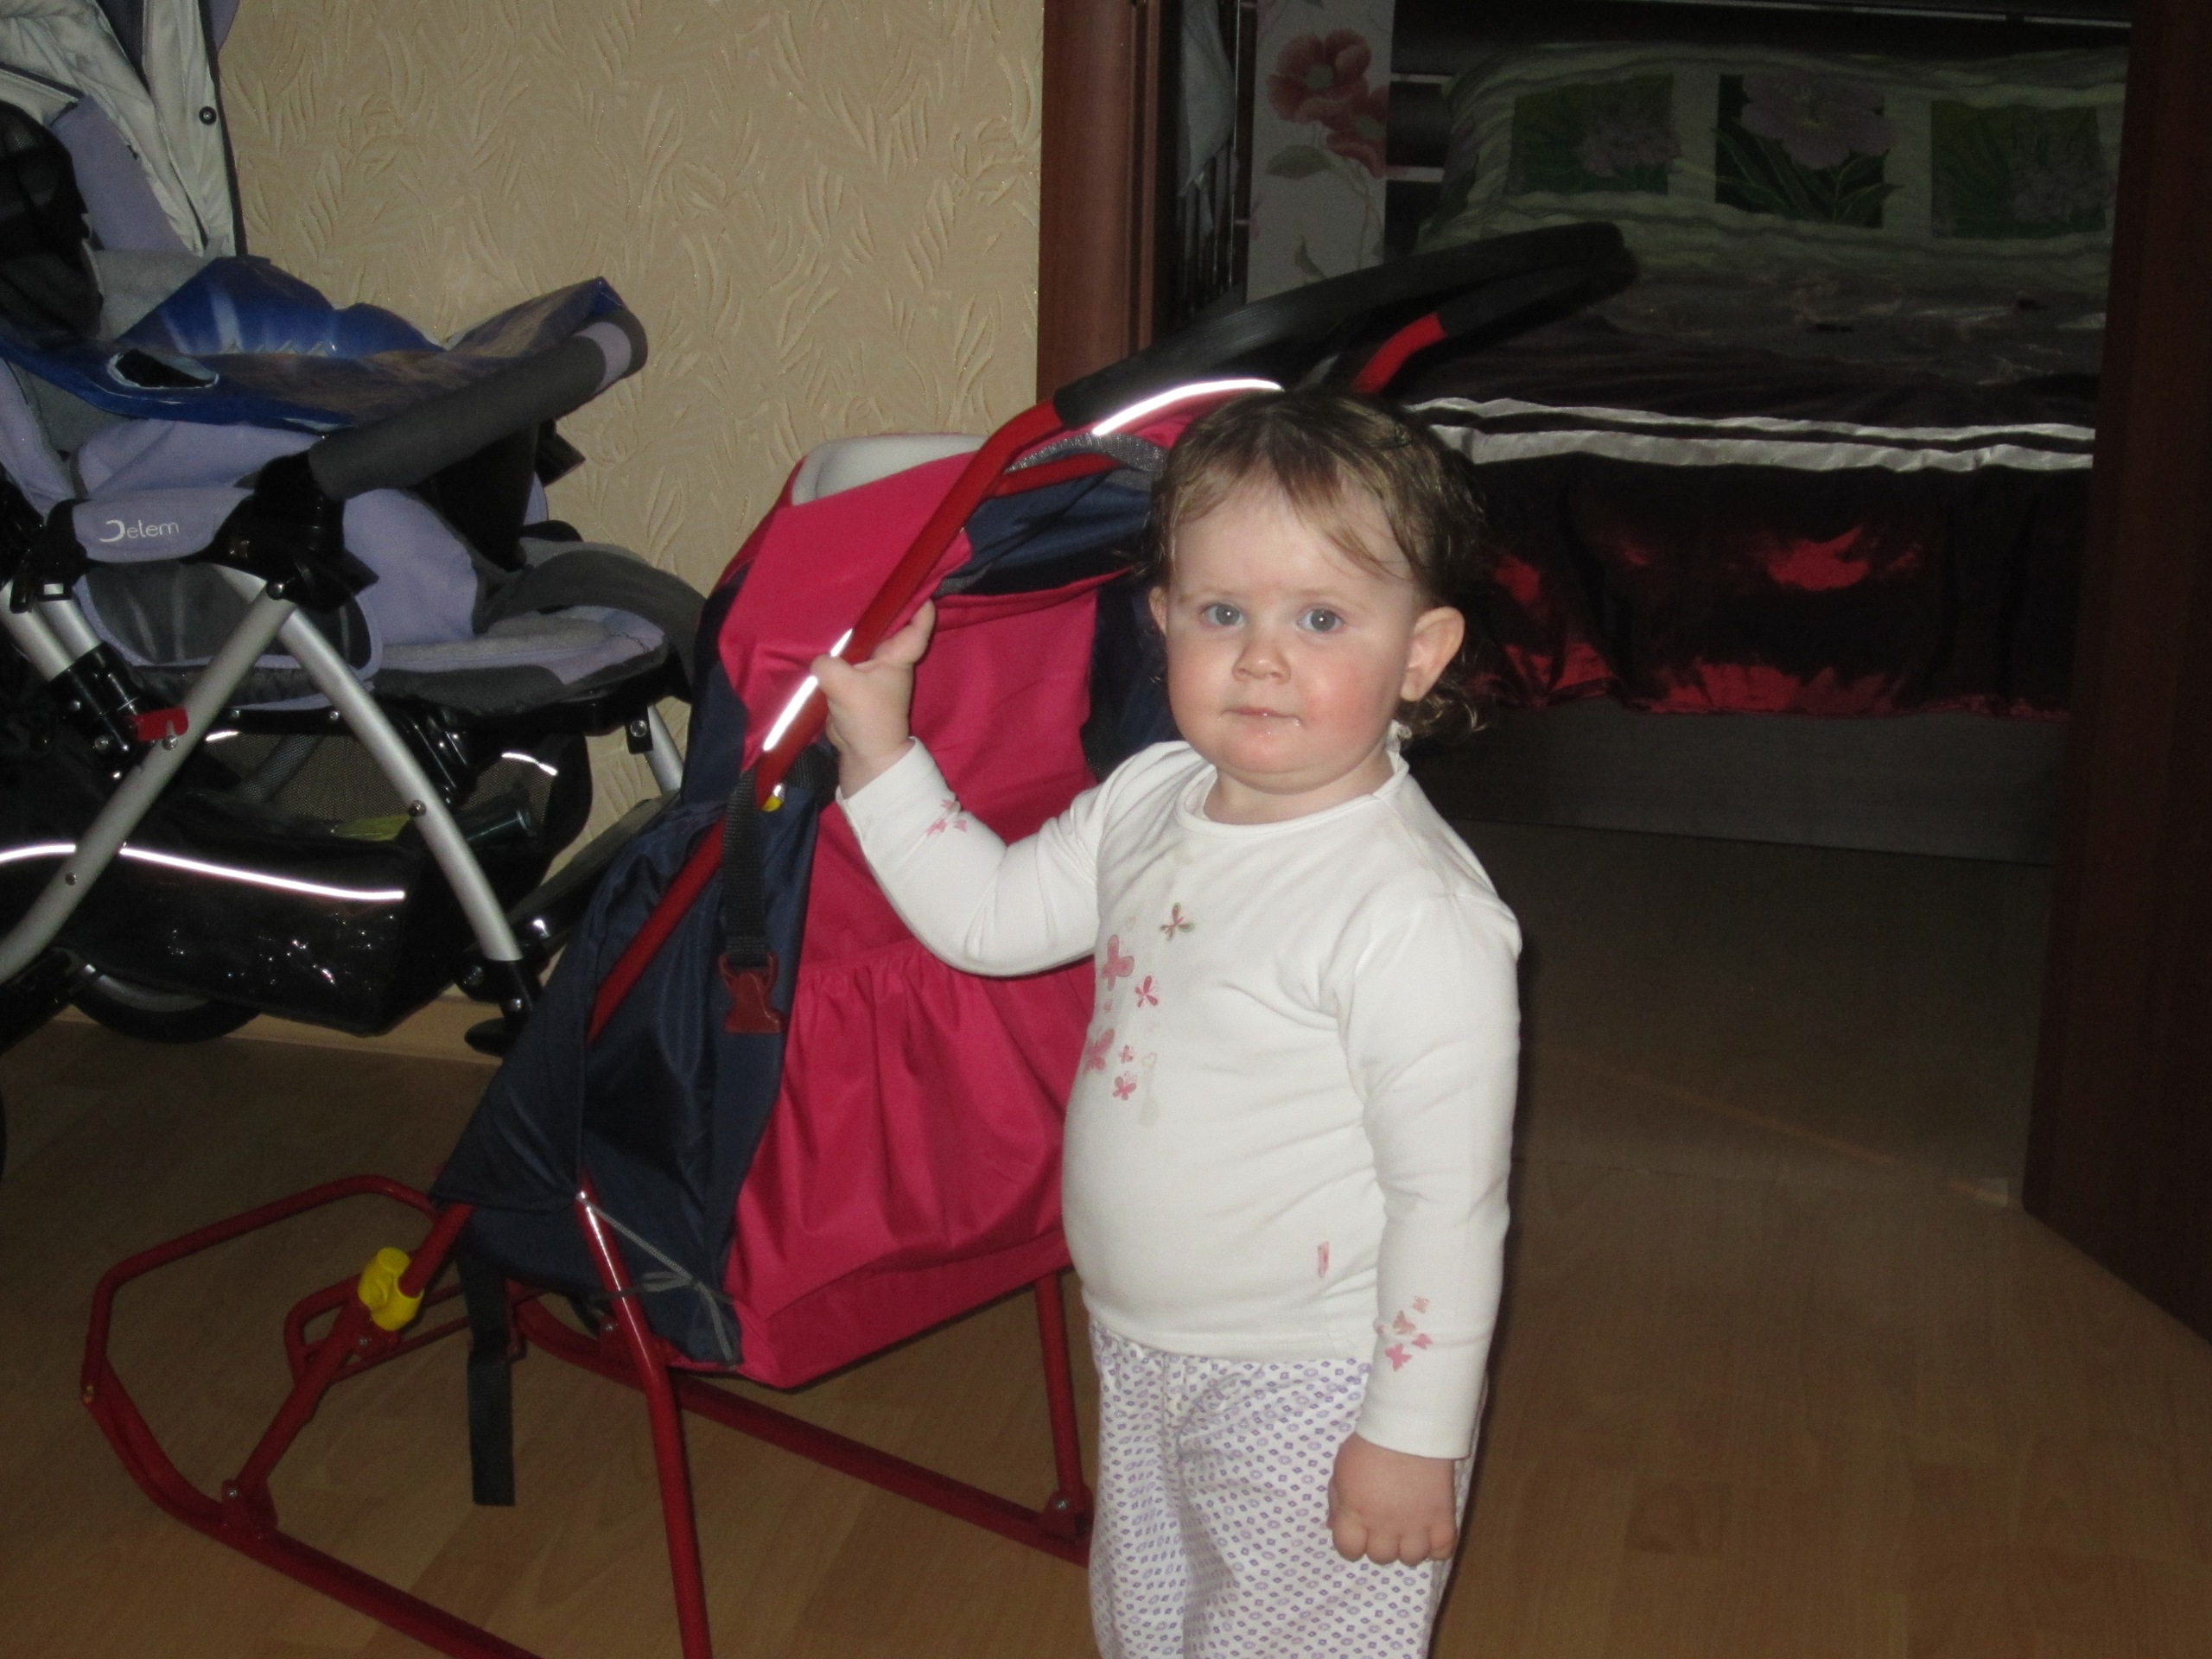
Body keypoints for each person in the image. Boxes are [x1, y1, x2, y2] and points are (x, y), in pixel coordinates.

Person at [813, 390, 1522, 1659]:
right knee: (1151, 1627)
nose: (1261, 658)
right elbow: (987, 917)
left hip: (1314, 1373)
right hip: (1141, 1343)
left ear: (1420, 655)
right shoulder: (1150, 796)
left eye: (1321, 618)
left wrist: (1414, 1432)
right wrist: (879, 744)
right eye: (1221, 612)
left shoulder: (1412, 916)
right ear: (1162, 621)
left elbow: (1449, 1203)